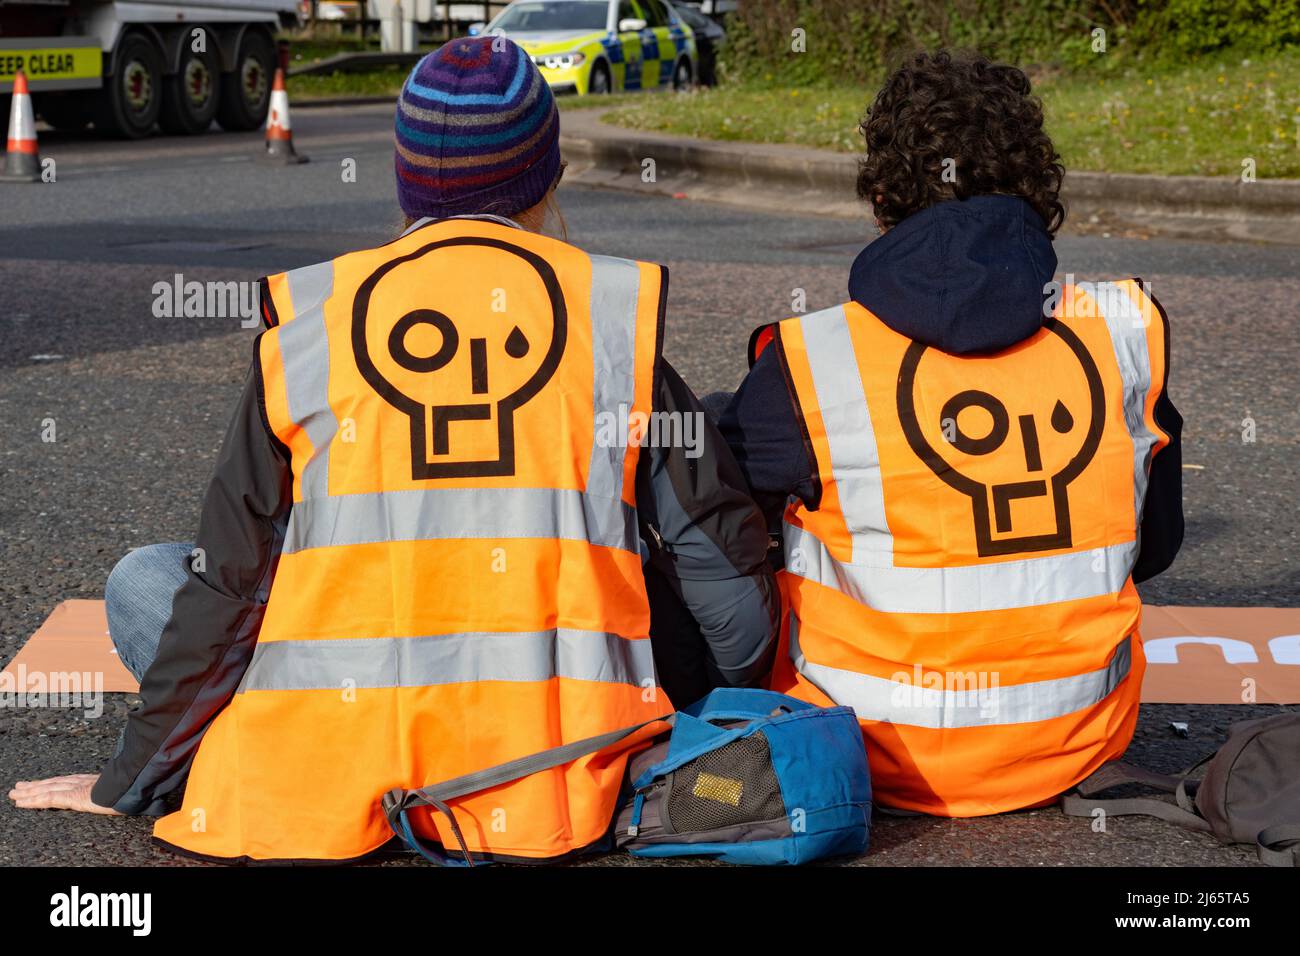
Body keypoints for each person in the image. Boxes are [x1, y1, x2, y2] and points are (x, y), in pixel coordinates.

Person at [10, 37, 778, 863]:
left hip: (334, 760)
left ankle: (265, 757)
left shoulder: (311, 320)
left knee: (146, 581)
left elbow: (229, 591)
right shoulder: (611, 319)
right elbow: (733, 609)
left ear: (405, 182)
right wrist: (707, 716)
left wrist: (127, 783)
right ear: (546, 179)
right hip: (559, 771)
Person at [719, 50, 1184, 817]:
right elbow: (1155, 544)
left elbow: (723, 535)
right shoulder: (1125, 331)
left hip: (870, 751)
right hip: (1078, 741)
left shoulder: (810, 361)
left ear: (881, 198)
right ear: (1038, 186)